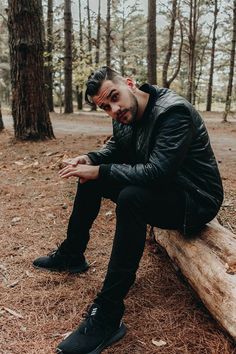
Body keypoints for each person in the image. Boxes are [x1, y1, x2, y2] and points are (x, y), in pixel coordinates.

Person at [33, 66, 223, 354]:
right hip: (163, 190)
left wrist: (101, 170)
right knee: (90, 177)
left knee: (131, 197)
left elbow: (157, 172)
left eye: (114, 97)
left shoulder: (174, 112)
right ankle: (72, 254)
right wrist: (90, 159)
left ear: (130, 84)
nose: (114, 109)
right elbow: (117, 149)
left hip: (193, 199)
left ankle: (107, 315)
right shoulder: (123, 116)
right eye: (105, 107)